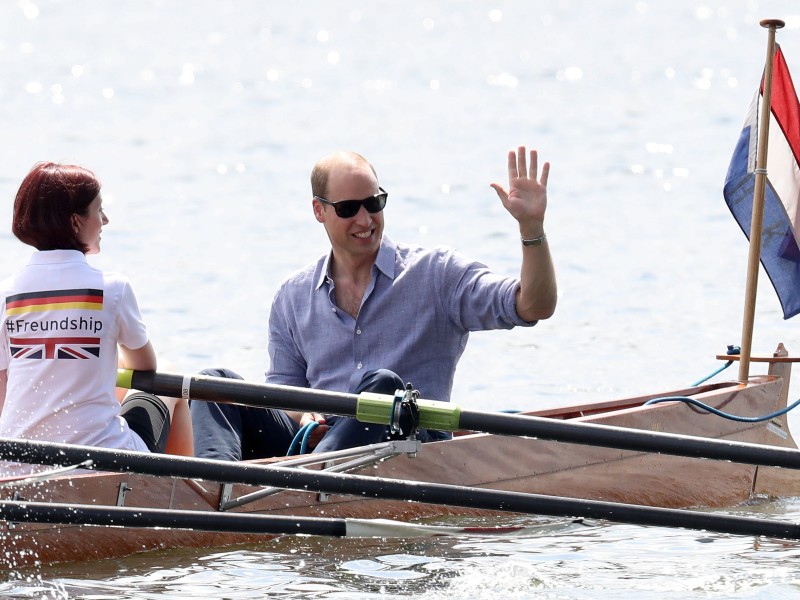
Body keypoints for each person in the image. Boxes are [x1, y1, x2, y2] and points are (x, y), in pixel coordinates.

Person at [191, 145, 556, 460]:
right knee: (212, 383)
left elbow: (533, 306)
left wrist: (531, 230)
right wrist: (306, 421)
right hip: (317, 449)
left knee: (383, 386)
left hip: (410, 446)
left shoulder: (437, 273)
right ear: (319, 211)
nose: (365, 219)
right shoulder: (292, 296)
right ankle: (213, 494)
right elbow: (284, 396)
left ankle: (305, 487)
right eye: (349, 208)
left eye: (373, 203)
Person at [0, 162, 193, 458]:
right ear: (76, 221)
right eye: (98, 209)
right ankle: (188, 496)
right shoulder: (113, 289)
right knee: (168, 376)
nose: (105, 219)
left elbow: (3, 391)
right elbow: (144, 365)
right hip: (102, 460)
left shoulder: (6, 294)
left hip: (16, 464)